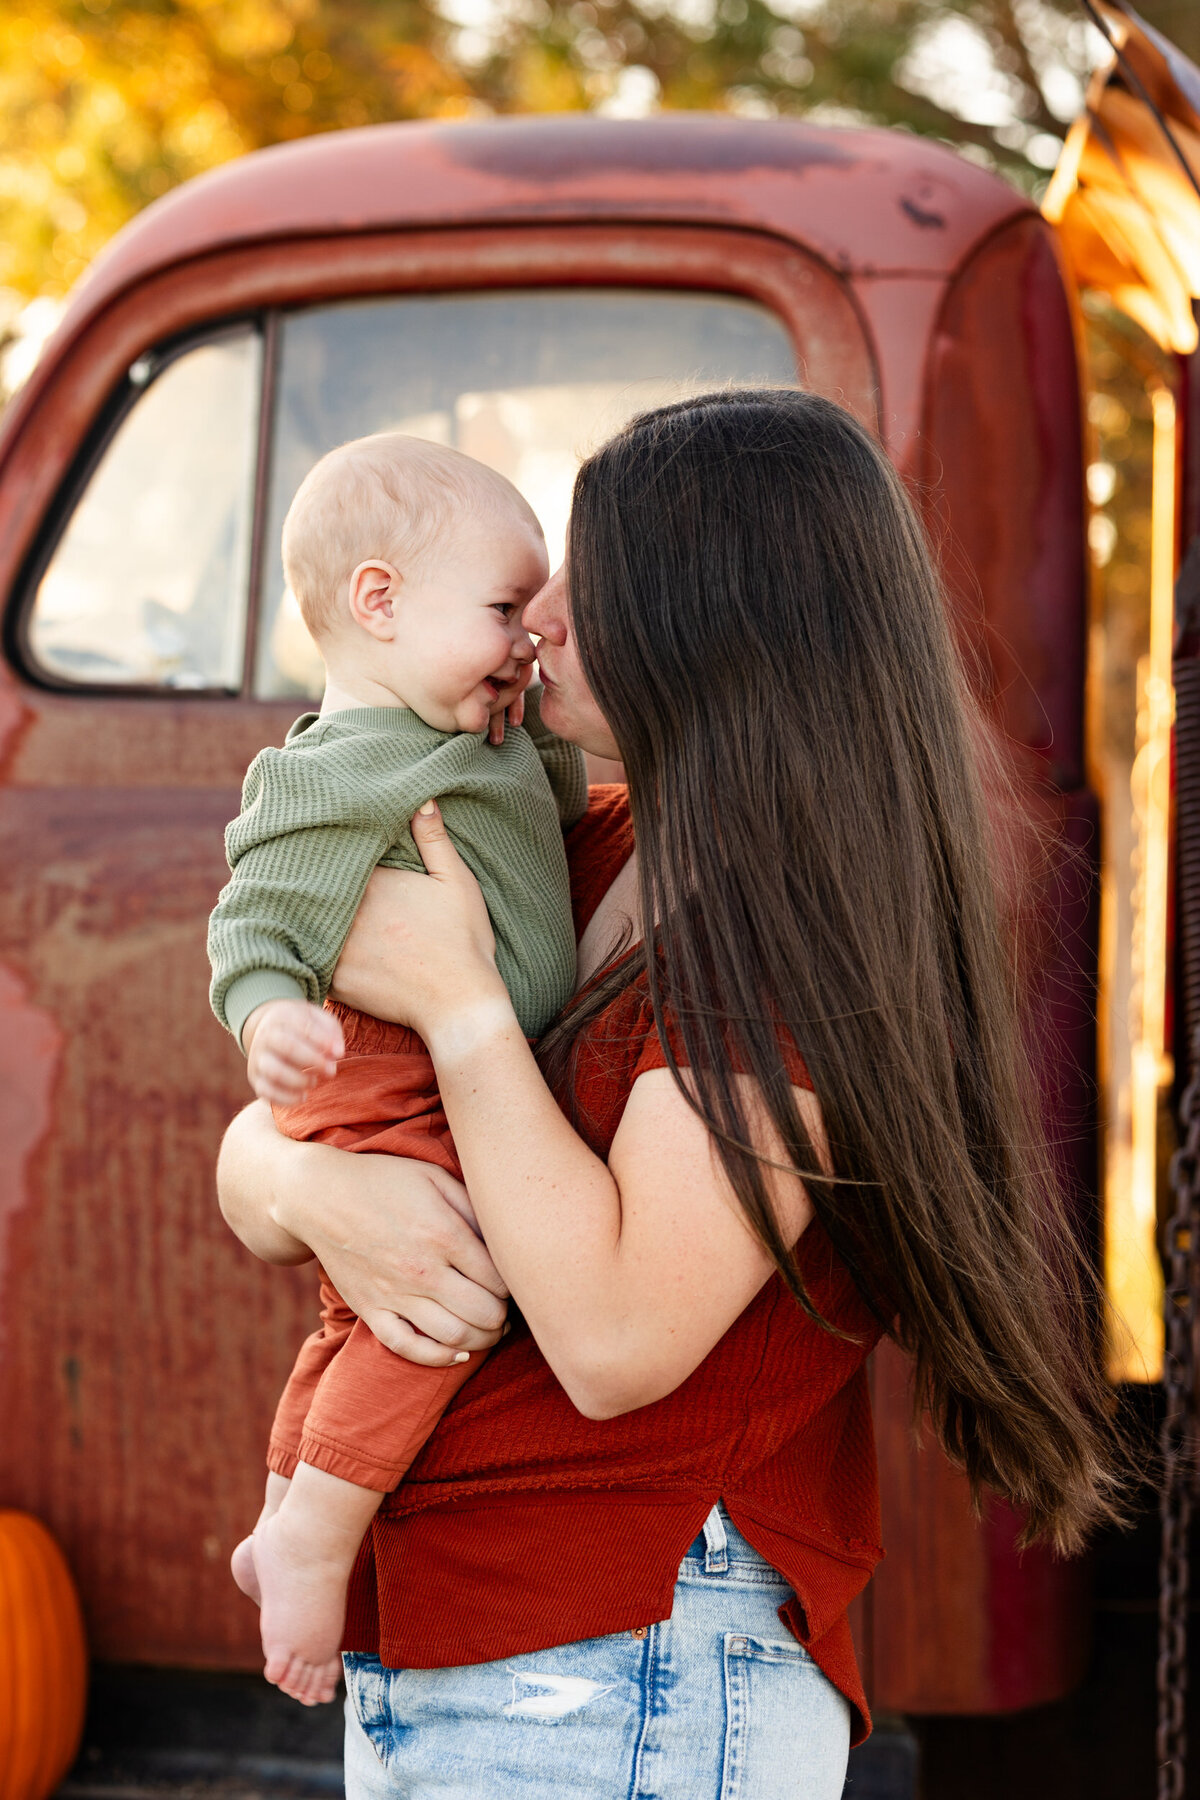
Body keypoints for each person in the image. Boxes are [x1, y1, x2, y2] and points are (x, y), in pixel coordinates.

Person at [217, 390, 1121, 1799]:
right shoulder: (565, 842)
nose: (543, 616)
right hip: (471, 1644)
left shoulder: (801, 935)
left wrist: (462, 1010)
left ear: (712, 618)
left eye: (595, 574)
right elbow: (273, 1150)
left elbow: (617, 1336)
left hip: (633, 1661)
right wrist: (313, 1184)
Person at [207, 432, 586, 1707]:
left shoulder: (482, 741)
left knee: (354, 1316)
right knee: (441, 1296)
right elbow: (255, 917)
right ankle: (319, 1538)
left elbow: (558, 806)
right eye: (503, 612)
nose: (528, 641)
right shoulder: (335, 768)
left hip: (438, 1060)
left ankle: (280, 1509)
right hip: (384, 1070)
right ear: (378, 602)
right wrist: (268, 1022)